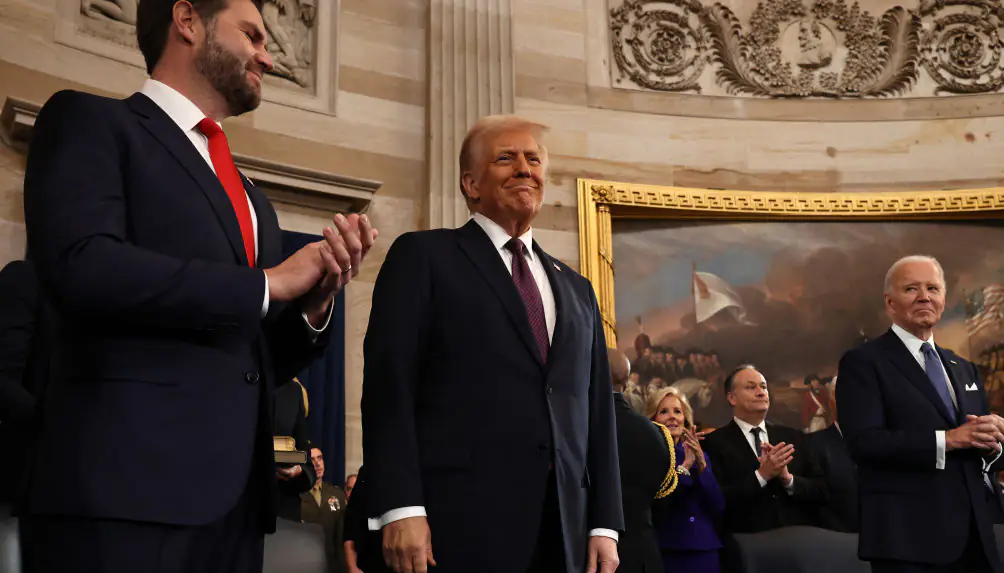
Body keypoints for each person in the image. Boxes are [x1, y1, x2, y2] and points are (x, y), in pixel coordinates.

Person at [20, 0, 377, 571]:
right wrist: (266, 283)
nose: (268, 54)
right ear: (187, 20)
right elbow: (82, 267)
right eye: (252, 35)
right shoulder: (91, 122)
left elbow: (256, 357)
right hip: (120, 497)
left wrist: (316, 300)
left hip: (235, 509)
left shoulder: (253, 198)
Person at [361, 115, 623, 573]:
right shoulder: (425, 257)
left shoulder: (578, 288)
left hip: (565, 531)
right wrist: (400, 507)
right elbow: (389, 389)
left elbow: (597, 409)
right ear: (471, 183)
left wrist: (605, 523)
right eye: (507, 158)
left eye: (533, 159)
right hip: (456, 525)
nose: (525, 168)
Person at [836, 255, 1004, 573]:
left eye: (932, 288)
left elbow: (980, 450)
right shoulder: (864, 362)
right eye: (911, 288)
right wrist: (948, 440)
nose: (924, 296)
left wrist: (995, 439)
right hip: (908, 541)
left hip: (975, 539)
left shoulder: (963, 367)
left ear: (942, 299)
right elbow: (864, 443)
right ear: (890, 302)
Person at [702, 365, 829, 534]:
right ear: (732, 398)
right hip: (747, 545)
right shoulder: (713, 443)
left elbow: (822, 491)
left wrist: (788, 479)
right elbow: (716, 500)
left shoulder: (793, 437)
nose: (761, 392)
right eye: (751, 387)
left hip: (798, 540)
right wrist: (761, 476)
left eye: (763, 387)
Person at [608, 349, 674, 573]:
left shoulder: (579, 427)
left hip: (594, 557)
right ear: (627, 382)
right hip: (645, 556)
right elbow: (662, 501)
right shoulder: (656, 433)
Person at [647, 387, 724, 573]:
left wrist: (701, 465)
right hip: (670, 549)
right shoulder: (650, 456)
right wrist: (685, 467)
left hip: (706, 548)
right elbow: (661, 503)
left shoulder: (700, 455)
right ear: (652, 420)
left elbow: (718, 505)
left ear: (686, 419)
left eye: (677, 411)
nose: (672, 417)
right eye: (664, 411)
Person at [300, 447, 347, 573]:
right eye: (312, 459)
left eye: (320, 458)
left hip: (333, 565)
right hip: (304, 563)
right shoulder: (296, 496)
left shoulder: (337, 493)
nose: (317, 463)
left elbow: (342, 535)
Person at [274, 379, 316, 521]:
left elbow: (306, 462)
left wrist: (298, 472)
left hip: (282, 507)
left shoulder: (293, 390)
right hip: (239, 508)